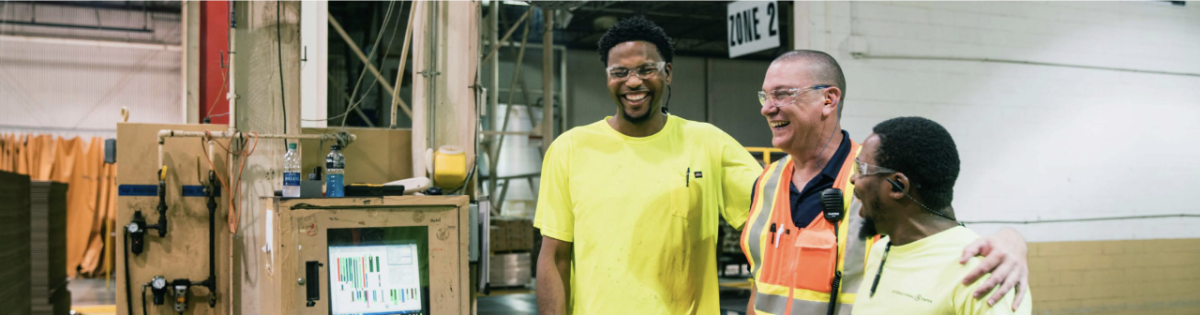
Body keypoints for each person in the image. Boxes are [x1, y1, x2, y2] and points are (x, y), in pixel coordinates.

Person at [742, 50, 1030, 315]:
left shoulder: (877, 178)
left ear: (829, 100)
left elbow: (940, 233)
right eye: (764, 96)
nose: (767, 108)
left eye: (783, 94)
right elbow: (761, 280)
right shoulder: (766, 180)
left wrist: (1012, 240)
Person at [533, 16, 763, 314]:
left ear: (667, 73)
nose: (633, 81)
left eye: (645, 69)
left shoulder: (708, 143)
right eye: (620, 72)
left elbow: (772, 224)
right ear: (608, 77)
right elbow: (554, 258)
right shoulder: (570, 148)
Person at [849, 117, 1033, 314]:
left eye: (861, 169)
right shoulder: (880, 250)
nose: (853, 179)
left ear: (898, 186)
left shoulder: (985, 271)